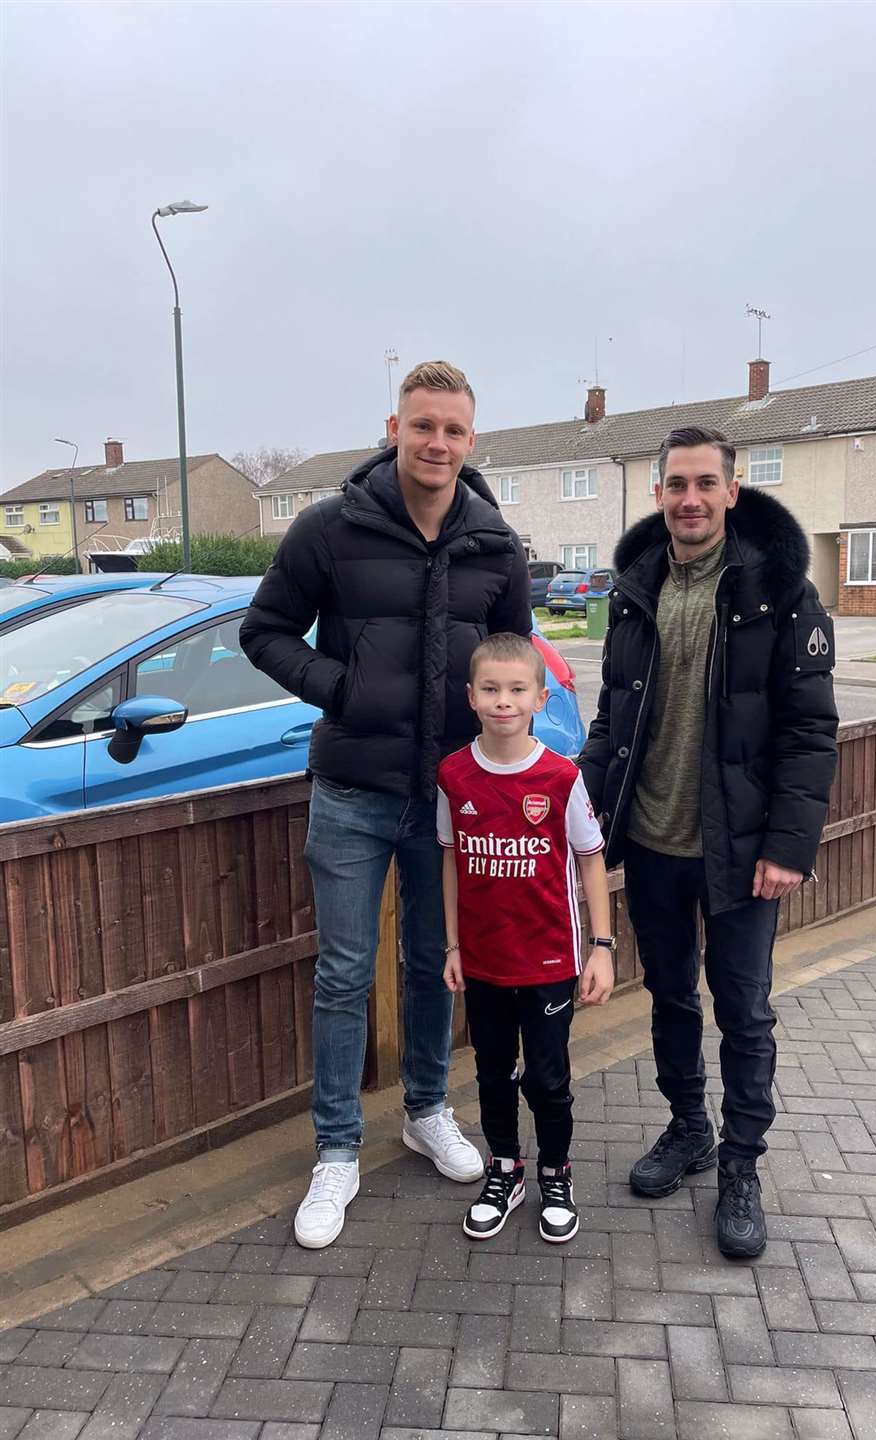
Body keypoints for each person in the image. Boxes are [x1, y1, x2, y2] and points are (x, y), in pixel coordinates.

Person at [240, 361, 531, 1249]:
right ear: (395, 428)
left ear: (471, 441)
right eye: (422, 426)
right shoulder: (333, 527)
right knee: (342, 972)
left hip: (450, 799)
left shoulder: (495, 543)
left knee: (435, 963)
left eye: (453, 429)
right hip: (353, 791)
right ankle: (335, 1150)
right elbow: (264, 630)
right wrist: (341, 688)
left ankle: (427, 1109)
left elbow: (514, 654)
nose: (437, 442)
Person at [578, 425, 838, 1259]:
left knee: (745, 1011)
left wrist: (789, 846)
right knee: (670, 998)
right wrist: (581, 813)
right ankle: (688, 1129)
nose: (689, 499)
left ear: (733, 492)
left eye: (705, 484)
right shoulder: (635, 589)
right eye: (675, 484)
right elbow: (614, 716)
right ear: (659, 494)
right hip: (653, 840)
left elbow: (809, 733)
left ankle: (741, 1167)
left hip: (741, 850)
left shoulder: (779, 592)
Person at [438, 632, 614, 1242]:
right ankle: (505, 1170)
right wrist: (453, 946)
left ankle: (555, 1172)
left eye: (517, 689)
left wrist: (603, 947)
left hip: (549, 961)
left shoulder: (562, 778)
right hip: (484, 961)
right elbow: (450, 862)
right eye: (491, 689)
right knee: (490, 1072)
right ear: (471, 696)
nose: (503, 701)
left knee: (547, 1077)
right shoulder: (454, 776)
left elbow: (592, 859)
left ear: (541, 697)